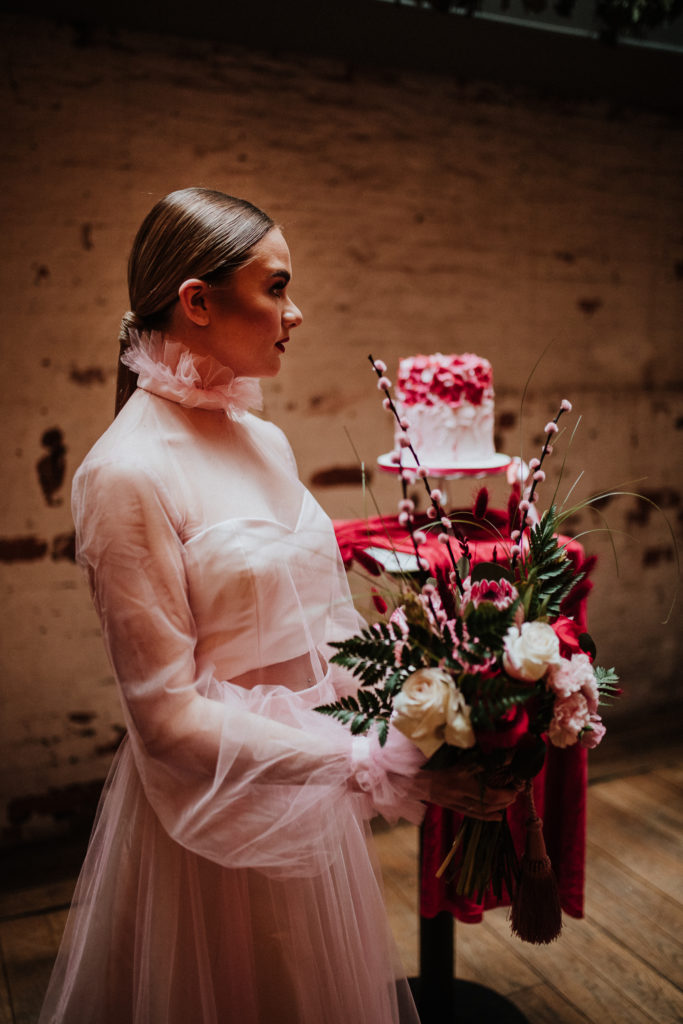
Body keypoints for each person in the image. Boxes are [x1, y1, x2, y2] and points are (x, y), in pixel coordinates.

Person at [39, 187, 517, 1024]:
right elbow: (169, 722)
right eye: (275, 287)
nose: (294, 313)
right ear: (196, 301)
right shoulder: (123, 475)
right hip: (215, 827)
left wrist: (419, 711)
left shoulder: (264, 437)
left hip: (309, 807)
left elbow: (325, 626)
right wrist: (366, 763)